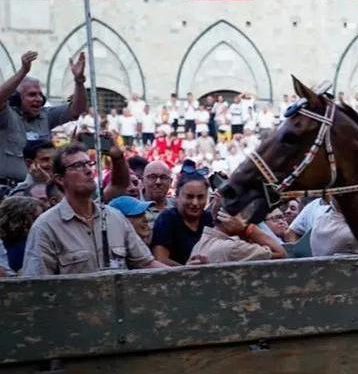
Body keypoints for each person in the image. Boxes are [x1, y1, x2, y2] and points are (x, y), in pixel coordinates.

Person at [21, 145, 163, 275]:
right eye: (78, 166)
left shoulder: (115, 218)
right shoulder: (46, 227)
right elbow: (36, 285)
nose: (89, 170)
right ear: (60, 179)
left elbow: (146, 263)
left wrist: (183, 274)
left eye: (89, 164)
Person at [0, 51, 88, 189]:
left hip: (40, 188)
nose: (39, 99)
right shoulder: (6, 115)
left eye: (40, 95)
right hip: (8, 189)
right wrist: (23, 71)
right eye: (32, 95)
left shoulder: (46, 116)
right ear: (17, 98)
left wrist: (79, 81)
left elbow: (77, 110)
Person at [150, 162, 214, 266]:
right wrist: (186, 269)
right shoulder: (167, 219)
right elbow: (160, 260)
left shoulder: (208, 219)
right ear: (177, 196)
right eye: (189, 197)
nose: (195, 203)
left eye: (200, 197)